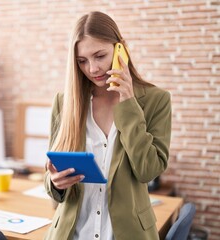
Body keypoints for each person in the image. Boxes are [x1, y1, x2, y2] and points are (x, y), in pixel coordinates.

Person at [44, 11, 172, 240]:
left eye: (100, 56)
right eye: (82, 61)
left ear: (121, 48)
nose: (92, 69)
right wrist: (55, 182)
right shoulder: (65, 102)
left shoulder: (156, 100)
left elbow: (148, 171)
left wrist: (128, 103)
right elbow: (52, 175)